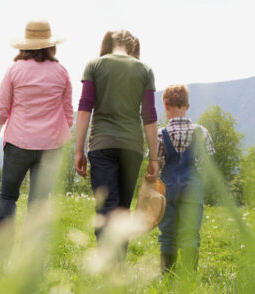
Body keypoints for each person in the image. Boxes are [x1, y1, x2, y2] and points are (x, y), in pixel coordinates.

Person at [0, 20, 73, 261]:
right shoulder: (61, 73)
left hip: (18, 144)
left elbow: (0, 110)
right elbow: (68, 115)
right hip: (50, 148)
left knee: (8, 197)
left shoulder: (14, 71)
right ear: (50, 45)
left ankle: (5, 255)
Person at [74, 30, 159, 257]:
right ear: (131, 45)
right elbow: (149, 116)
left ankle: (106, 265)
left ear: (108, 43)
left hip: (101, 144)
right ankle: (117, 267)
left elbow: (84, 109)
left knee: (106, 207)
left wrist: (78, 149)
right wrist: (154, 157)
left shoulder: (94, 66)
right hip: (132, 147)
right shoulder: (144, 70)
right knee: (122, 209)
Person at [155, 84, 215, 272]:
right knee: (190, 233)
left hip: (167, 189)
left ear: (165, 106)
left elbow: (154, 165)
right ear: (187, 106)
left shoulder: (160, 135)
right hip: (192, 188)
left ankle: (167, 276)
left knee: (167, 234)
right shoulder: (202, 132)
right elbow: (208, 165)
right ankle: (188, 278)